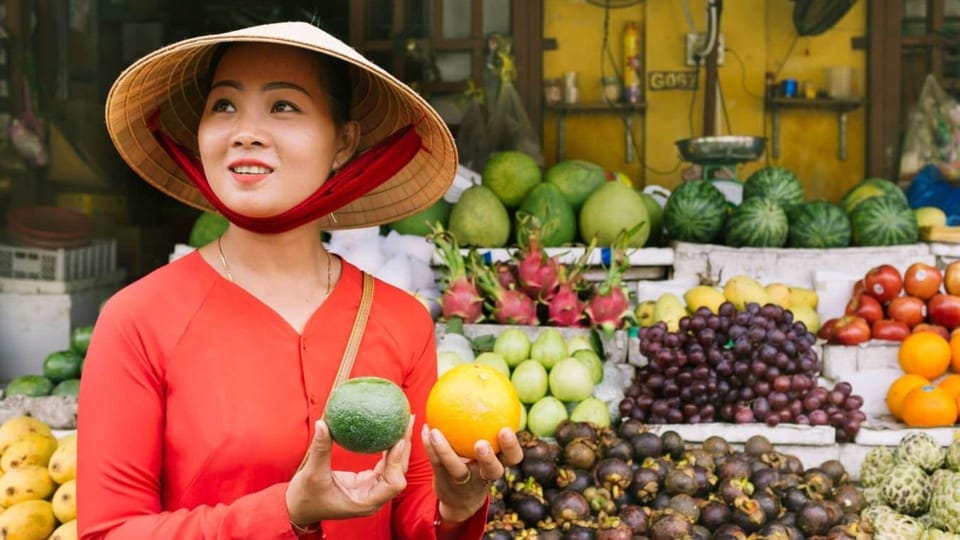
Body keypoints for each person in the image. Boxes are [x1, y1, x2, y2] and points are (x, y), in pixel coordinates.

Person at [78, 21, 522, 539]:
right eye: (223, 106)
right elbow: (108, 532)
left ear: (343, 143)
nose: (245, 130)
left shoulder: (401, 322)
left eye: (283, 106)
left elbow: (416, 522)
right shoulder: (138, 321)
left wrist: (457, 509)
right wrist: (284, 511)